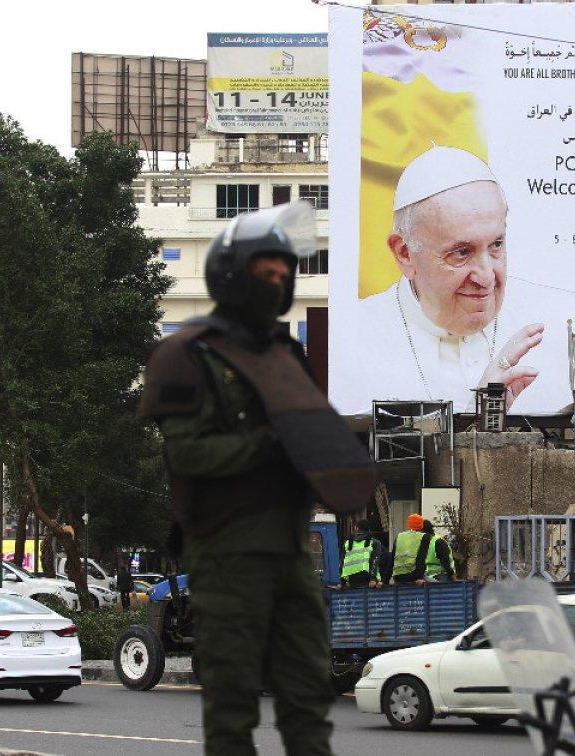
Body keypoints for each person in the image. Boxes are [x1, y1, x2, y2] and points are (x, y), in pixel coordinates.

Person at [139, 201, 376, 756]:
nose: (276, 283)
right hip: (225, 553)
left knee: (307, 699)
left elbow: (316, 435)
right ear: (230, 275)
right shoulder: (184, 355)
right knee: (233, 706)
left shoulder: (286, 353)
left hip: (293, 554)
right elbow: (189, 454)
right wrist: (270, 448)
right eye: (262, 274)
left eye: (282, 274)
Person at [353, 146, 545, 413]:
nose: (486, 277)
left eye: (496, 245)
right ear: (405, 253)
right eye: (462, 252)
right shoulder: (351, 338)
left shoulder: (569, 319)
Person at [340, 519, 384, 588]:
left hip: (352, 579)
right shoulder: (374, 542)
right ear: (369, 530)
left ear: (356, 528)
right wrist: (372, 579)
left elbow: (342, 563)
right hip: (367, 578)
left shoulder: (347, 543)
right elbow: (375, 560)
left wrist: (342, 582)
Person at [390, 513, 432, 585]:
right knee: (436, 584)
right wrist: (420, 578)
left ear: (409, 525)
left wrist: (384, 580)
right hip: (413, 575)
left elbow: (391, 558)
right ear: (421, 526)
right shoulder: (424, 537)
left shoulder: (399, 536)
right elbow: (421, 558)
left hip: (397, 577)